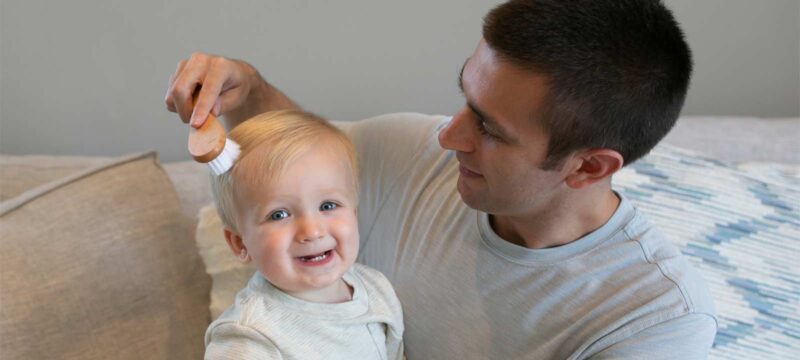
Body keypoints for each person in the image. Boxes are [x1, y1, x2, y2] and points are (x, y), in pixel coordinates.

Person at [167, 0, 717, 358]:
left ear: (589, 167)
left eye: (490, 129)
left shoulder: (653, 323)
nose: (450, 136)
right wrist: (252, 90)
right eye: (466, 98)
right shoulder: (412, 152)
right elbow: (300, 170)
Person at [203, 110, 404, 359]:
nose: (312, 231)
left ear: (354, 211)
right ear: (239, 243)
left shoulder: (376, 289)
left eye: (328, 206)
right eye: (279, 215)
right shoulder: (249, 338)